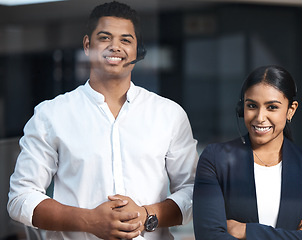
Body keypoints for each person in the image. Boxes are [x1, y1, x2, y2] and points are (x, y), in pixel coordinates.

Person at [7, 1, 198, 240]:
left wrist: (146, 215)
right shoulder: (51, 114)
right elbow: (20, 198)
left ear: (137, 50)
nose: (115, 46)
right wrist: (89, 221)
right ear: (88, 45)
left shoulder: (169, 114)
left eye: (126, 40)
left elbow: (194, 192)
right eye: (105, 38)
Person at [193, 65, 302, 239]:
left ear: (290, 110)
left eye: (272, 107)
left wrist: (245, 230)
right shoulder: (215, 159)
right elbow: (209, 236)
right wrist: (295, 236)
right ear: (242, 109)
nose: (260, 117)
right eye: (252, 105)